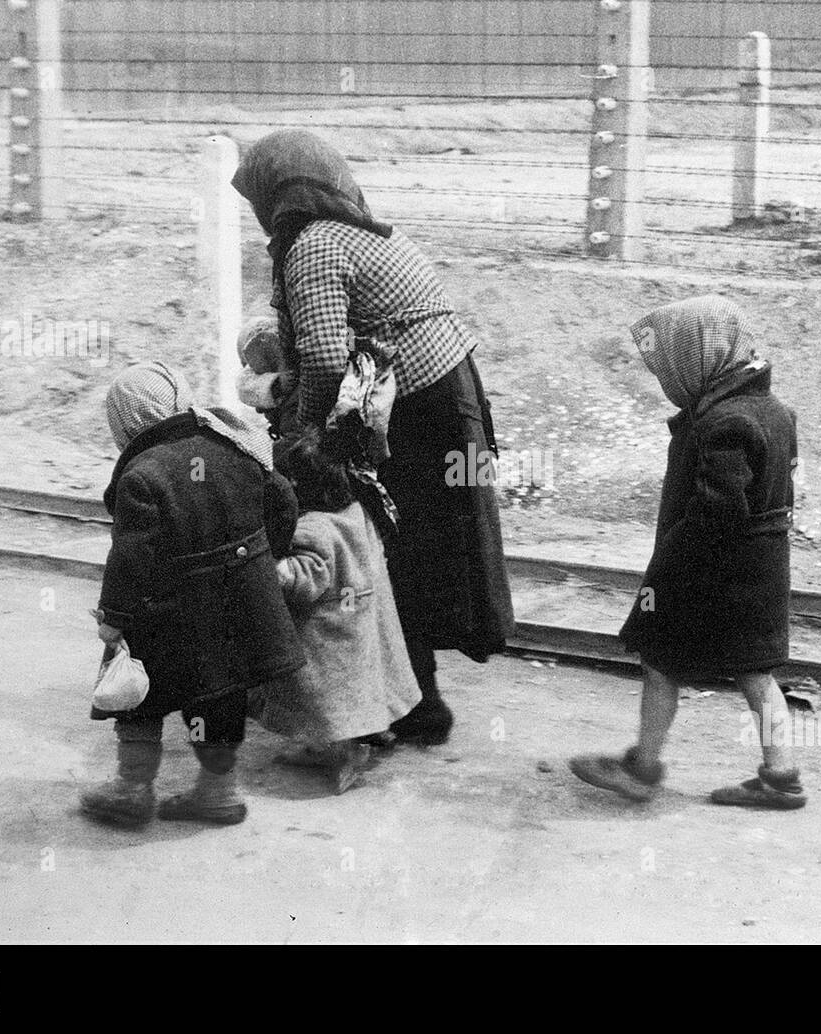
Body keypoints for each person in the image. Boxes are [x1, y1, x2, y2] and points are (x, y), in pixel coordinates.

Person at [231, 129, 514, 746]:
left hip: (412, 414)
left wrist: (299, 437)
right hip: (453, 400)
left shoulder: (310, 245)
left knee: (387, 548)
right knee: (437, 550)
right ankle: (415, 697)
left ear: (274, 196)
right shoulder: (366, 231)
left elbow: (328, 362)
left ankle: (407, 704)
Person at [568, 297, 806, 809]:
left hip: (711, 571)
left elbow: (718, 513)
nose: (667, 378)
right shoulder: (776, 412)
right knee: (757, 673)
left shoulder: (724, 423)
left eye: (671, 364)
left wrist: (670, 566)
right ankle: (781, 776)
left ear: (696, 358)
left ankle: (643, 768)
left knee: (659, 662)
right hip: (763, 569)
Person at [81, 361, 306, 828]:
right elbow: (282, 498)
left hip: (168, 619)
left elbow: (132, 558)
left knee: (138, 699)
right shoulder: (232, 440)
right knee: (221, 700)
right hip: (240, 609)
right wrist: (262, 561)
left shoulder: (141, 475)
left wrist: (114, 617)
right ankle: (218, 793)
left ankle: (132, 790)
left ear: (125, 421)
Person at [254, 427, 421, 793]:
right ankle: (331, 745)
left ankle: (349, 753)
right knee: (357, 692)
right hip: (361, 620)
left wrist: (270, 568)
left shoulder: (311, 529)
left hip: (330, 635)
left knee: (330, 700)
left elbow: (305, 579)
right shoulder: (355, 509)